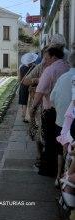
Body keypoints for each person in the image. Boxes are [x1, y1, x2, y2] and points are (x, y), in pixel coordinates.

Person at [30, 46, 70, 177]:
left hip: (52, 111)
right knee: (63, 140)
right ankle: (63, 170)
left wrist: (33, 107)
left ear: (53, 57)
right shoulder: (67, 67)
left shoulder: (50, 70)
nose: (44, 61)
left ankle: (49, 169)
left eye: (46, 58)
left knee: (50, 140)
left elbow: (40, 91)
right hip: (68, 110)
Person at [50, 49, 75, 186]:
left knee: (61, 150)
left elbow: (52, 98)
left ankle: (59, 176)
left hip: (62, 120)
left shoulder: (64, 77)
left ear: (69, 62)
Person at [19, 52, 38, 122]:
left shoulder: (22, 68)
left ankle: (24, 117)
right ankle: (30, 117)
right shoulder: (35, 67)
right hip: (32, 86)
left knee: (24, 102)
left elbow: (20, 79)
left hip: (23, 86)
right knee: (31, 101)